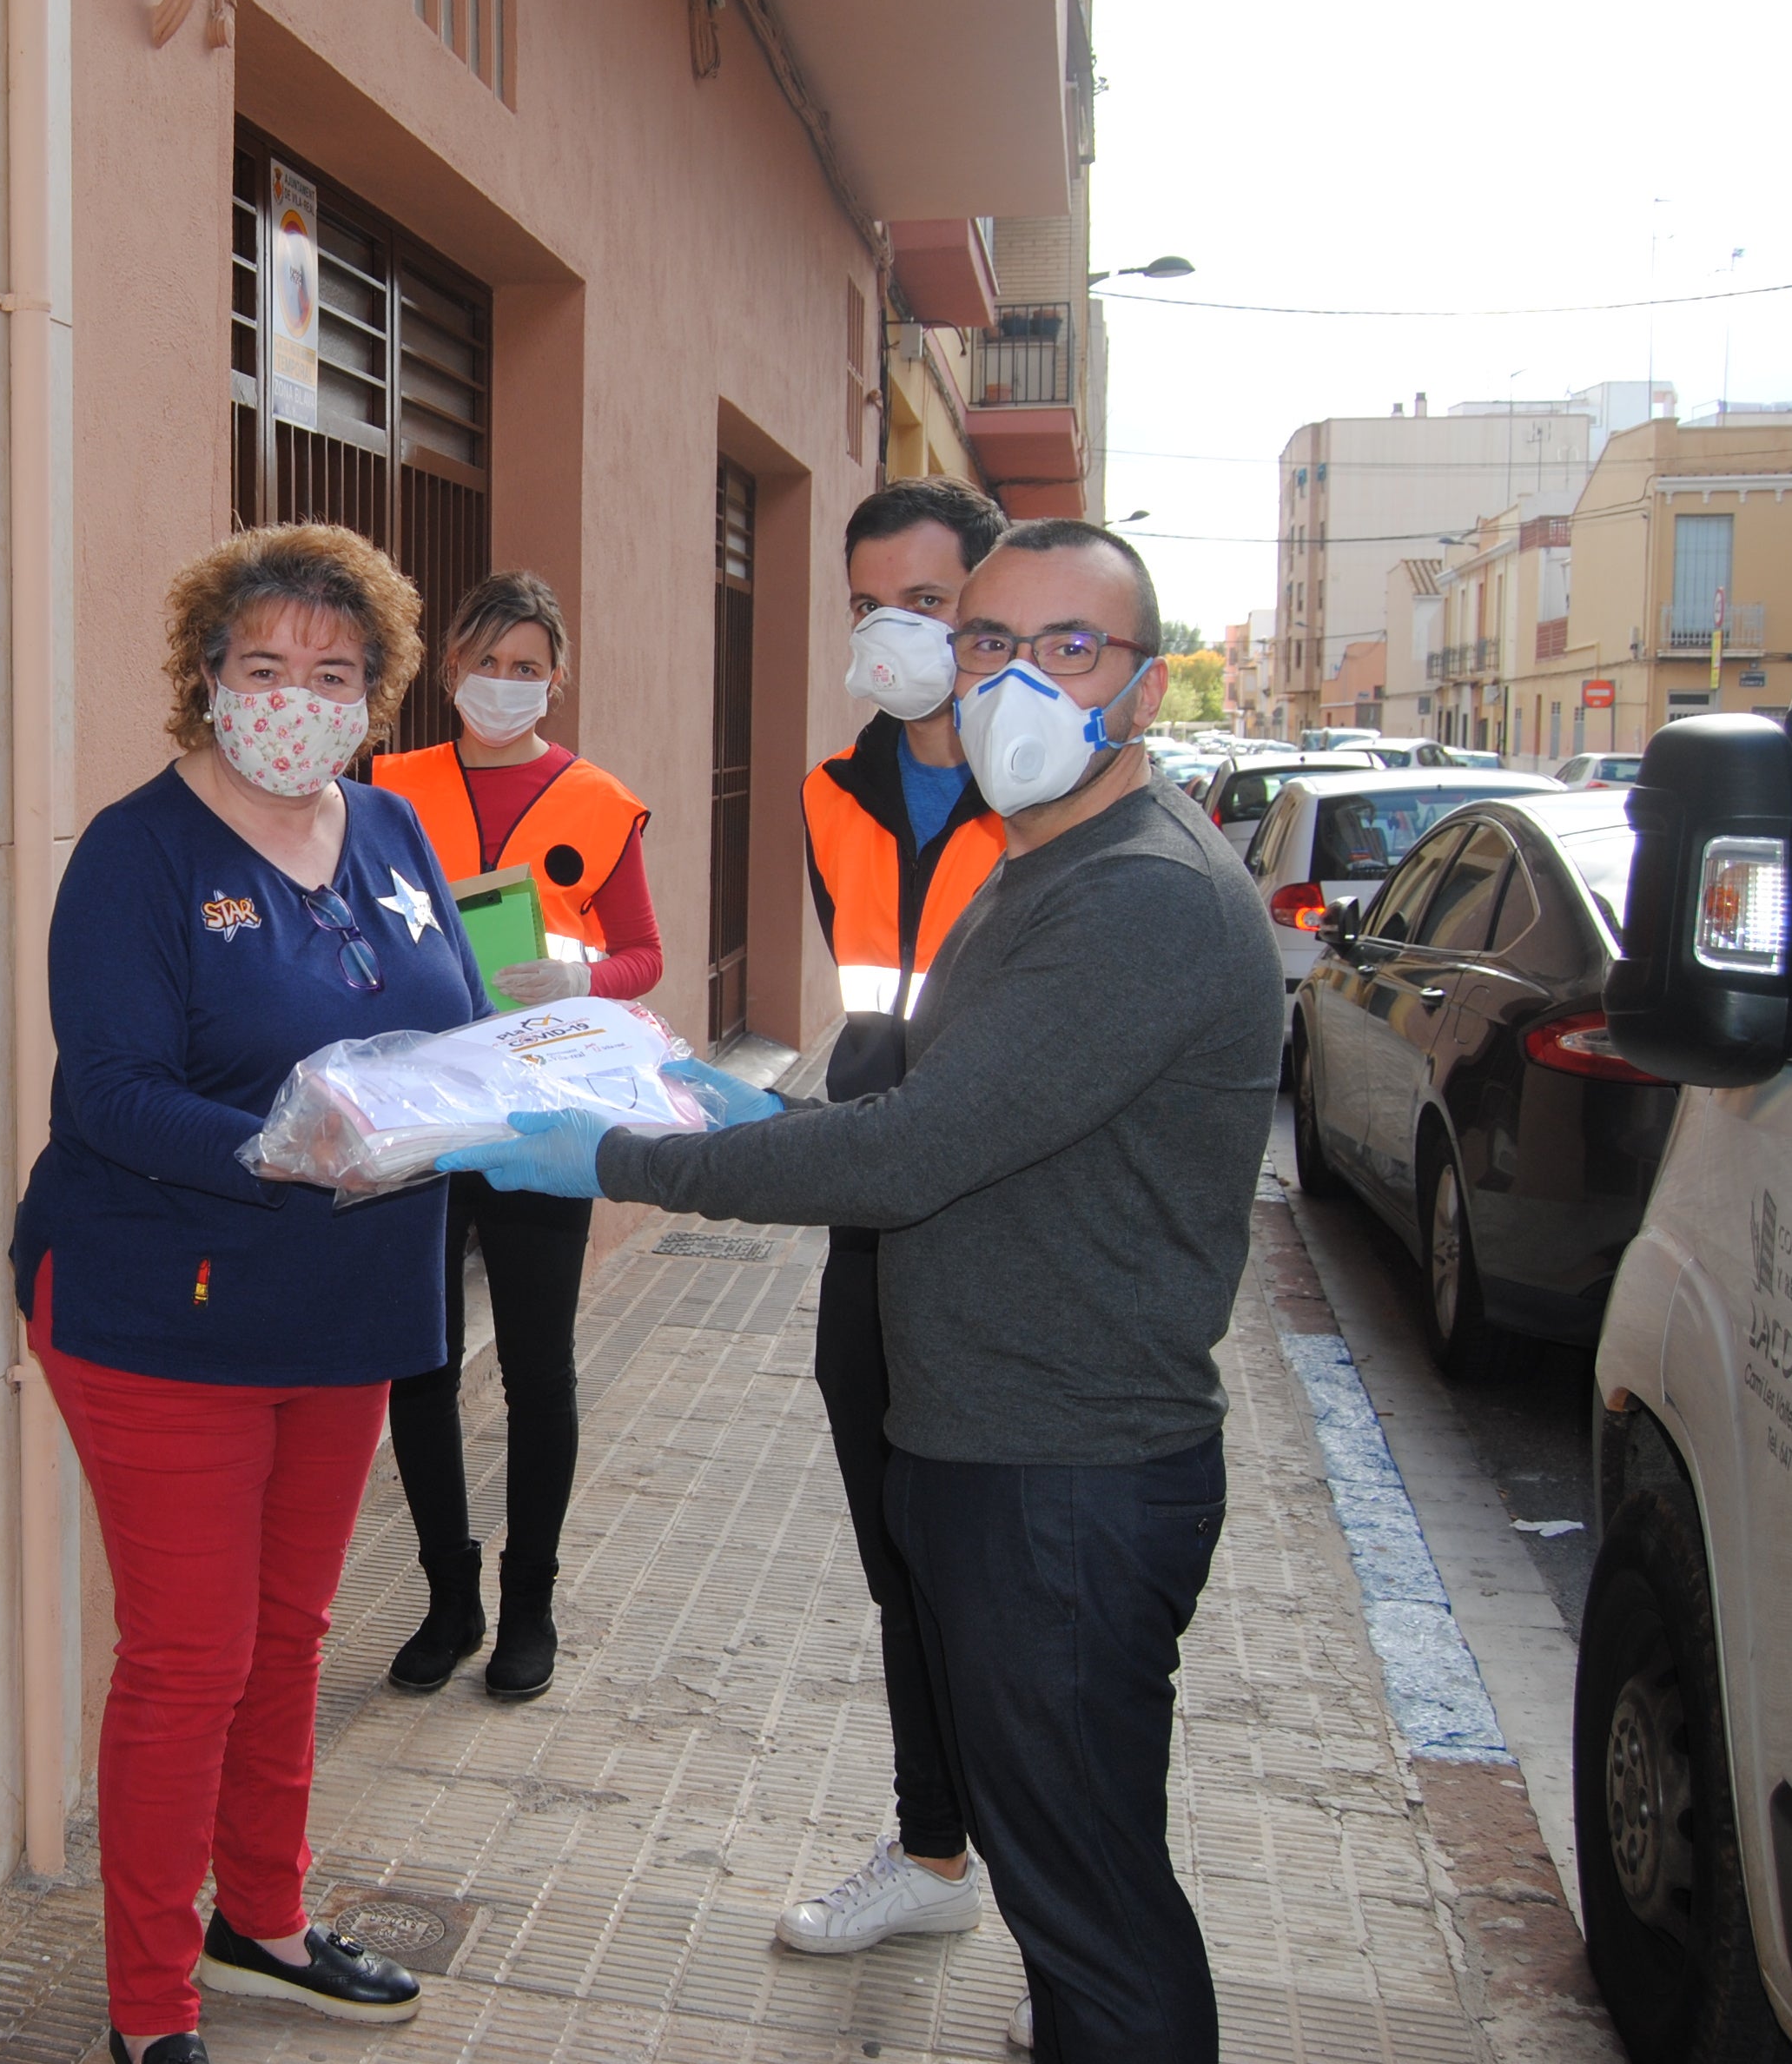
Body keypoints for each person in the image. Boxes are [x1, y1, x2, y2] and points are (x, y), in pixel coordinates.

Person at [440, 521, 1276, 2062]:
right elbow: (943, 1108)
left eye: (1069, 649)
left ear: (1146, 689)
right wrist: (744, 1111)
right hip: (999, 1438)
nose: (1015, 682)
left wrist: (625, 1155)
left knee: (1096, 1913)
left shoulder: (1140, 896)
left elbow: (915, 1153)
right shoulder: (1046, 864)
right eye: (989, 644)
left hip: (1063, 1470)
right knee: (1071, 1874)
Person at [12, 524, 481, 2064]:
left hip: (346, 1302)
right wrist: (293, 1147)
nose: (297, 698)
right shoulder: (137, 852)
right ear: (207, 678)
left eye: (334, 673)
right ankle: (150, 2010)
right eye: (265, 665)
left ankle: (261, 1919)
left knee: (291, 1633)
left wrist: (548, 1063)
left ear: (375, 693)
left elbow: (458, 1028)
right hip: (163, 1305)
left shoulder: (394, 829)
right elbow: (112, 1095)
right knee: (190, 1660)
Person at [779, 478, 1008, 1956]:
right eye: (871, 605)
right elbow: (876, 1014)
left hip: (1013, 1215)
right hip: (876, 1210)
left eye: (928, 603)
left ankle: (1073, 1923)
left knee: (1020, 1578)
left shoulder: (1053, 787)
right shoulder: (829, 793)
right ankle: (934, 1854)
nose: (897, 634)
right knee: (902, 1561)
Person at [367, 572, 656, 1701]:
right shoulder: (386, 786)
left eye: (527, 666)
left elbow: (642, 954)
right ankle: (449, 1597)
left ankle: (530, 1602)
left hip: (541, 1115)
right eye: (486, 662)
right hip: (427, 1108)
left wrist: (584, 978)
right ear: (449, 670)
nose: (504, 683)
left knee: (539, 1368)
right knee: (421, 1363)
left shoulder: (599, 801)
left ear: (556, 679)